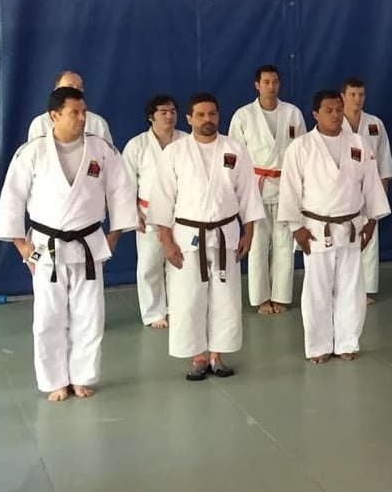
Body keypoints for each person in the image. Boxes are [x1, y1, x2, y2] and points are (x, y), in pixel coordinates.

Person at [0, 87, 134, 400]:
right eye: (75, 112)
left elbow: (121, 193)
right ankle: (54, 380)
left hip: (89, 243)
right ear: (54, 116)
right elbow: (12, 199)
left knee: (90, 315)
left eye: (84, 111)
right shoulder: (32, 152)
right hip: (46, 247)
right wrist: (22, 246)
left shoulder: (101, 149)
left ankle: (82, 376)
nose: (82, 118)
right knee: (49, 317)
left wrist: (112, 236)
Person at [149, 93, 265, 381]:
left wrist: (249, 231)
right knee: (189, 298)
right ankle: (198, 356)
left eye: (212, 113)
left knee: (226, 298)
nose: (207, 119)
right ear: (189, 119)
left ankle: (217, 355)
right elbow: (163, 199)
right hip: (187, 237)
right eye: (200, 115)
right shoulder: (175, 152)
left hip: (226, 234)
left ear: (218, 116)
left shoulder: (234, 149)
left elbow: (248, 194)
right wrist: (166, 241)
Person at [279, 90, 391, 363]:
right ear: (315, 114)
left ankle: (347, 342)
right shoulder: (301, 147)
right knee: (317, 290)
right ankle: (318, 346)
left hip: (352, 226)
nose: (336, 115)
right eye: (328, 110)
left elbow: (371, 184)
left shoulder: (358, 143)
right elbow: (290, 189)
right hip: (316, 229)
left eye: (339, 109)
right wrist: (296, 227)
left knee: (351, 289)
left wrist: (372, 220)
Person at [228, 64, 307, 314]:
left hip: (286, 185)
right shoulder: (243, 116)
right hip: (256, 186)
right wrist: (237, 190)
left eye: (275, 82)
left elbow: (303, 151)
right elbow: (234, 156)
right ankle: (261, 298)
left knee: (284, 243)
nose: (271, 86)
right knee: (258, 244)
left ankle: (281, 296)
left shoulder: (293, 113)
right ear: (257, 85)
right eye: (266, 82)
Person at [123, 95, 187, 329]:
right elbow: (125, 182)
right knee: (149, 266)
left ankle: (177, 308)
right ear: (151, 117)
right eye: (163, 112)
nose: (169, 116)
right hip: (148, 212)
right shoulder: (137, 145)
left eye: (173, 111)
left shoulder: (186, 141)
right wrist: (133, 211)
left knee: (180, 263)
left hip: (182, 212)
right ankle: (153, 313)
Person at [341, 77, 392, 303]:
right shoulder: (335, 122)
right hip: (343, 191)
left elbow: (383, 158)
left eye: (361, 94)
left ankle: (365, 289)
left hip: (370, 188)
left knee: (369, 238)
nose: (357, 99)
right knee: (344, 239)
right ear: (343, 96)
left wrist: (382, 190)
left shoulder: (375, 123)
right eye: (352, 94)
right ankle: (343, 288)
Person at [26, 71, 114, 144]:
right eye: (69, 87)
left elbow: (109, 156)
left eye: (79, 87)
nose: (75, 91)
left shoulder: (98, 123)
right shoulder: (40, 124)